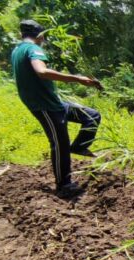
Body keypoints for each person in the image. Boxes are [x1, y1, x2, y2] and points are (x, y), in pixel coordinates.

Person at [11, 19, 103, 197]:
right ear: (40, 35)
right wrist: (78, 79)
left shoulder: (17, 50)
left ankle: (79, 147)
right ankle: (64, 185)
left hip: (55, 103)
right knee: (60, 143)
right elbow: (42, 72)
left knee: (91, 116)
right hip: (44, 106)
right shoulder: (33, 49)